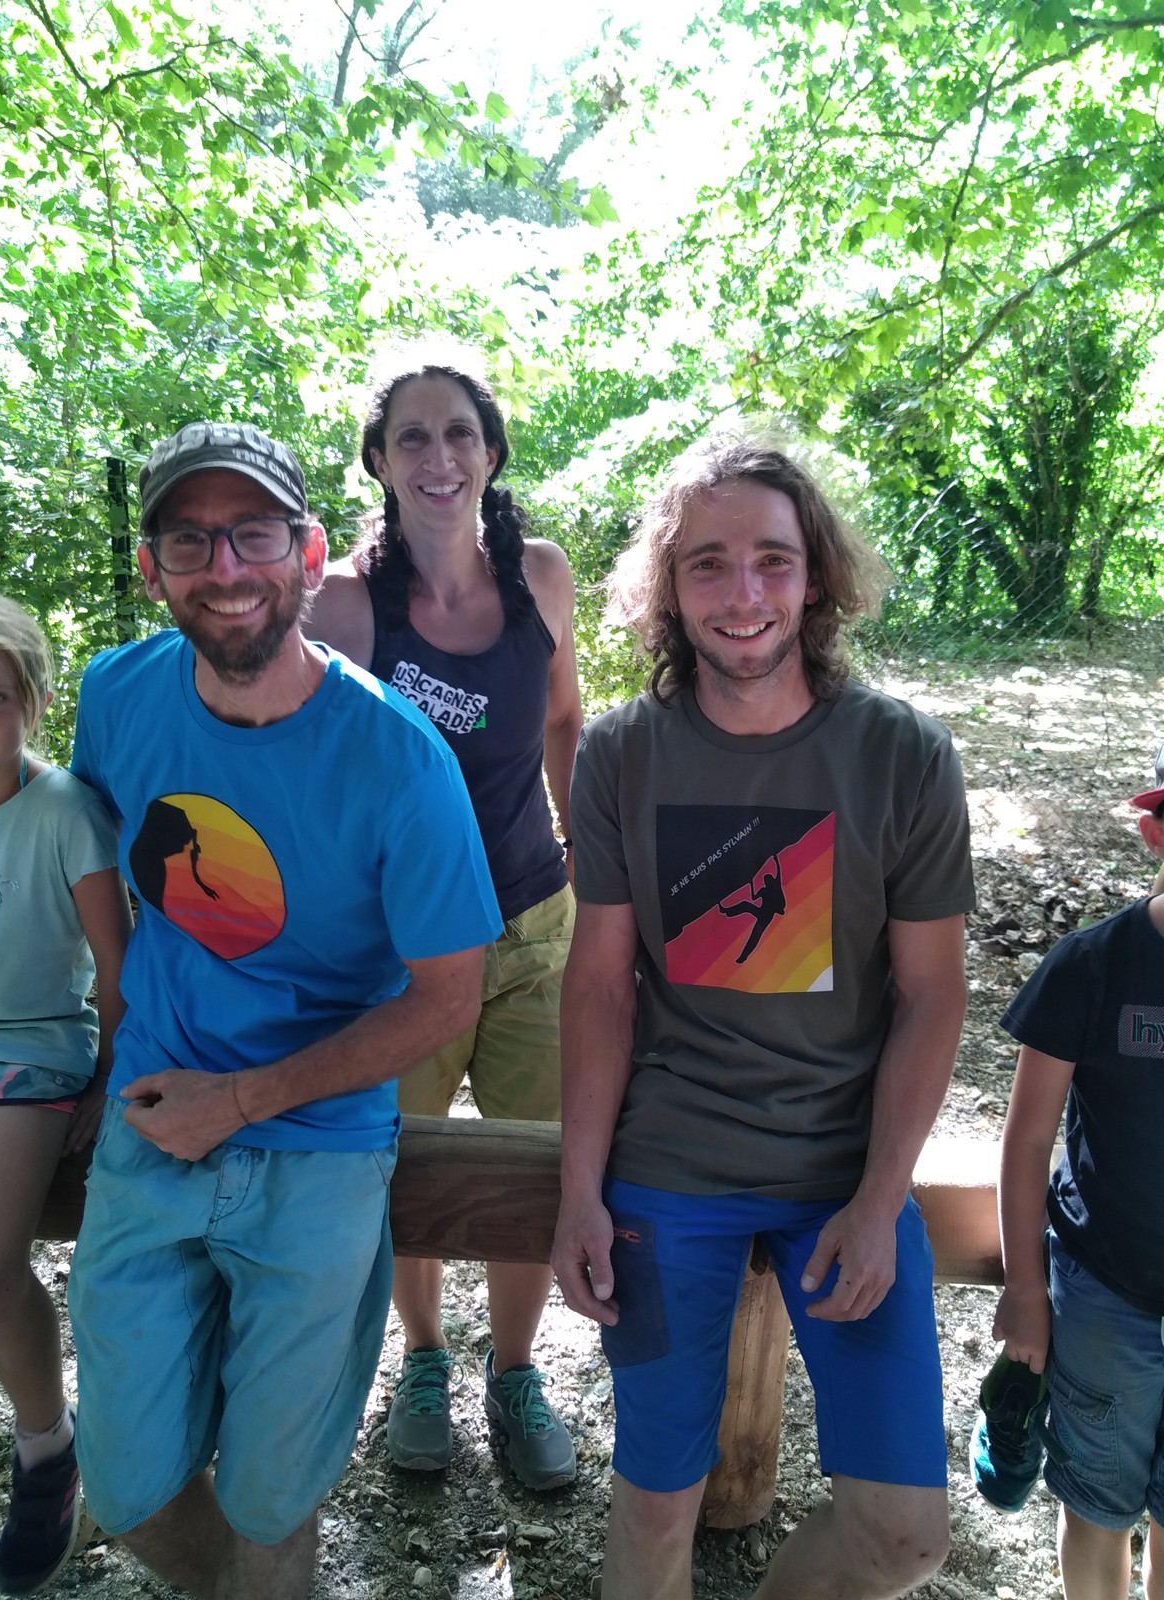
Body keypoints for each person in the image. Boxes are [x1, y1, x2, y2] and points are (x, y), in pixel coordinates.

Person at [66, 420, 502, 1600]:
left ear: (309, 554)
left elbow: (449, 997)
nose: (225, 568)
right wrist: (98, 1051)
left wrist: (242, 1100)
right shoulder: (117, 697)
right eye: (190, 540)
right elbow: (97, 881)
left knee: (271, 1504)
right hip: (151, 1122)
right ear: (152, 567)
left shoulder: (400, 758)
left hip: (317, 1145)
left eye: (254, 534)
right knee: (125, 1489)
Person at [551, 436, 975, 1600]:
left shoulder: (901, 754)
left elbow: (934, 993)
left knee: (904, 1538)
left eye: (773, 561)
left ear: (817, 575)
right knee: (653, 1508)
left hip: (844, 1172)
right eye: (708, 563)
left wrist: (881, 1199)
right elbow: (598, 985)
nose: (742, 593)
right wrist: (579, 1191)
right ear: (668, 586)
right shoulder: (620, 753)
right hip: (670, 1169)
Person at [310, 348, 582, 1491]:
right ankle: (422, 1359)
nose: (439, 456)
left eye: (459, 432)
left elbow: (564, 719)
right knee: (403, 1161)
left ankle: (514, 1371)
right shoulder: (345, 604)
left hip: (534, 926)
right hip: (401, 947)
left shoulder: (542, 576)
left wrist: (589, 851)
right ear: (378, 460)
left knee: (539, 1162)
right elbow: (320, 786)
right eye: (412, 436)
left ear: (492, 451)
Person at [0, 588, 130, 1596]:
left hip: (32, 1049)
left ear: (30, 700)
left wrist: (111, 1080)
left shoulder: (63, 808)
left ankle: (46, 1449)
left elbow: (117, 965)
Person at [978, 766, 1164, 1599]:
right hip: (1104, 1301)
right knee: (1097, 1507)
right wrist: (1026, 1290)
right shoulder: (1092, 966)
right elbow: (1026, 1139)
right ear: (1155, 833)